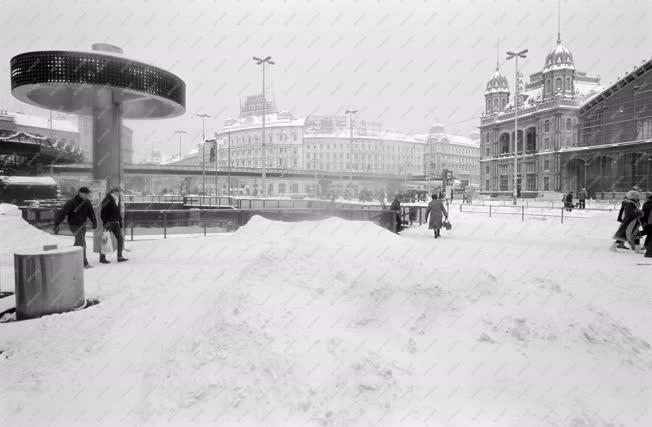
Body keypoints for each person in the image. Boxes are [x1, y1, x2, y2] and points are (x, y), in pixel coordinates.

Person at [53, 187, 97, 269]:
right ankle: (84, 263)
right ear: (80, 193)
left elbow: (91, 213)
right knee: (82, 243)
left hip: (82, 225)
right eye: (85, 194)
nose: (86, 195)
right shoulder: (71, 202)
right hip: (74, 225)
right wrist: (57, 224)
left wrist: (94, 222)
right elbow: (63, 213)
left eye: (88, 194)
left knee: (78, 243)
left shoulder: (87, 202)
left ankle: (68, 258)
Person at [100, 187, 128, 263]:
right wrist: (105, 222)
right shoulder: (107, 199)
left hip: (115, 223)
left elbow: (118, 212)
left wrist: (120, 222)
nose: (120, 193)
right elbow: (103, 212)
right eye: (119, 192)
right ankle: (102, 258)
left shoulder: (117, 199)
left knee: (120, 239)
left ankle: (120, 256)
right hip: (108, 223)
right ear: (114, 191)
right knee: (105, 240)